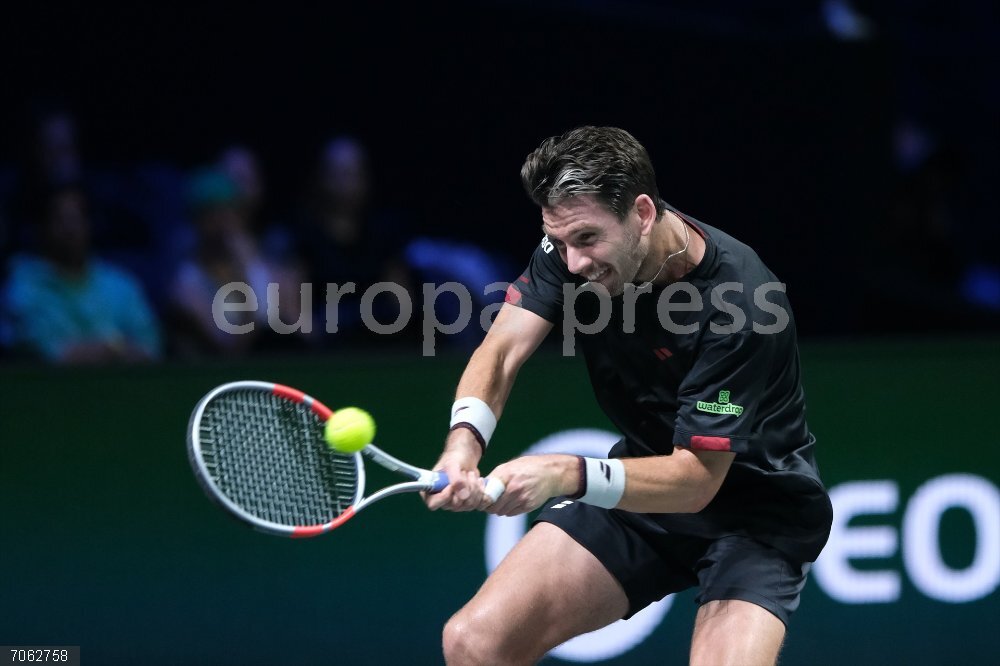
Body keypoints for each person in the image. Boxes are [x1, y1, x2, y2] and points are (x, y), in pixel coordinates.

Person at [425, 126, 833, 665]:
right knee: (474, 642)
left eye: (588, 240)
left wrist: (564, 473)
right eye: (561, 241)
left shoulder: (744, 303)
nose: (572, 263)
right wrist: (463, 444)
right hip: (644, 489)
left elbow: (695, 482)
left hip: (756, 512)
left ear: (642, 213)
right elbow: (501, 349)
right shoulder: (571, 247)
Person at [4, 182, 162, 363]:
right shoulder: (23, 285)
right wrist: (113, 347)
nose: (70, 229)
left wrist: (105, 350)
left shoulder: (120, 284)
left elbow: (151, 347)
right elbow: (42, 351)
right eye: (60, 219)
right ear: (42, 226)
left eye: (77, 218)